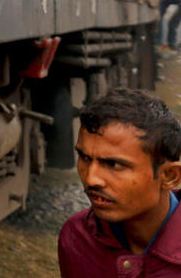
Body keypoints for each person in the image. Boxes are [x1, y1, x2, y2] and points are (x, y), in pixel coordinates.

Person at [58, 88, 181, 276]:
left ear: (170, 176)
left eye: (113, 164)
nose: (91, 179)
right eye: (84, 157)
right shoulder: (78, 238)